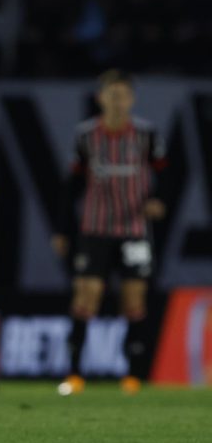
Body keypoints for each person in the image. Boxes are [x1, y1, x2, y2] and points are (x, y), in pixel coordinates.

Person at [52, 69, 167, 396]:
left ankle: (133, 376)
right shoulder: (86, 136)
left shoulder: (146, 135)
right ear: (101, 98)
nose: (117, 101)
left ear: (131, 99)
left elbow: (166, 175)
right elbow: (72, 185)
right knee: (85, 296)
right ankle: (74, 375)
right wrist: (62, 230)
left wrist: (160, 201)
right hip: (95, 229)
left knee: (134, 301)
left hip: (134, 231)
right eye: (111, 95)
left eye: (123, 95)